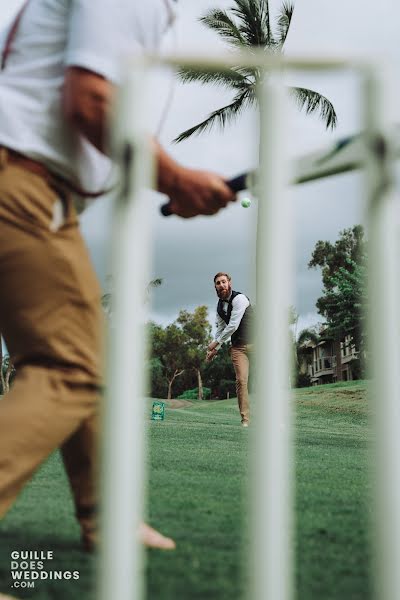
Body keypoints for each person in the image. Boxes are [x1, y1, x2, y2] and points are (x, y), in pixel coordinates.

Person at [0, 0, 235, 554]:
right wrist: (177, 180)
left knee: (85, 359)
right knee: (71, 366)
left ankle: (107, 522)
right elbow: (91, 101)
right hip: (20, 186)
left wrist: (171, 182)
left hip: (36, 193)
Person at [207, 273, 253, 427]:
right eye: (218, 283)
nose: (221, 285)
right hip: (238, 347)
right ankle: (245, 419)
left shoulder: (240, 299)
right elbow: (220, 328)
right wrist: (215, 349)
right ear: (215, 287)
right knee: (241, 381)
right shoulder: (219, 306)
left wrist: (216, 343)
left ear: (229, 283)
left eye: (224, 282)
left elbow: (233, 325)